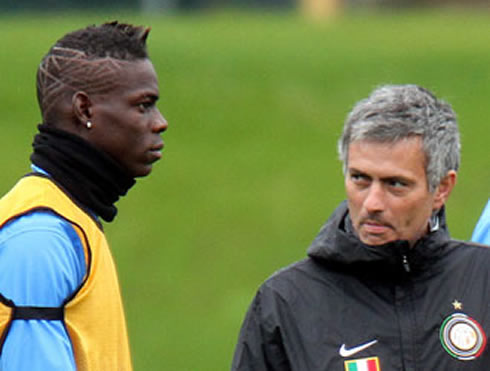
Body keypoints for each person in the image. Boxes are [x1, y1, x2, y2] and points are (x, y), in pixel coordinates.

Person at [231, 84, 490, 370]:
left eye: (395, 184)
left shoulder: (483, 281)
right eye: (360, 179)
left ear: (442, 188)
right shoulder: (286, 304)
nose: (372, 203)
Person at [0, 21, 167, 371]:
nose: (160, 122)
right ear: (84, 110)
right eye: (143, 105)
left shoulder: (71, 218)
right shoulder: (41, 236)